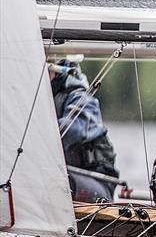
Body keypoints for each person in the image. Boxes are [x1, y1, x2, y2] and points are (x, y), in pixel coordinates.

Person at [49, 59, 120, 203]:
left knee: (56, 181)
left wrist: (35, 130)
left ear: (53, 71)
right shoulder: (33, 102)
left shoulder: (81, 97)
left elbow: (75, 129)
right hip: (52, 178)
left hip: (98, 183)